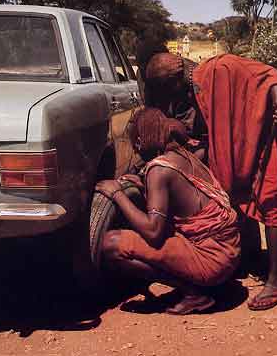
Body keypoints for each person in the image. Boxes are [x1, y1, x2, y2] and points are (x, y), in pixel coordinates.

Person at [144, 52, 277, 311]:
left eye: (167, 91)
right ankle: (250, 255)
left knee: (269, 195)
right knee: (238, 188)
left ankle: (276, 282)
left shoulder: (220, 68)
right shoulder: (194, 90)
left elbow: (268, 74)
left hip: (275, 127)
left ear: (175, 81)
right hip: (249, 134)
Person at [95, 108, 240, 315]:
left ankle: (194, 293)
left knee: (111, 244)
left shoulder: (159, 169)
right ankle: (200, 284)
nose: (136, 151)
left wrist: (117, 193)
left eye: (136, 144)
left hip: (212, 261)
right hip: (229, 253)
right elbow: (183, 201)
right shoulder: (184, 154)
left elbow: (153, 232)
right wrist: (147, 187)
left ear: (139, 142)